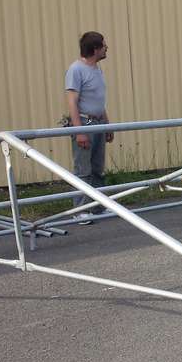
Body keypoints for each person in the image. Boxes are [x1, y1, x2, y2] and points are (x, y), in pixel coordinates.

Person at [65, 31, 113, 224]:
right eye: (103, 45)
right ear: (95, 49)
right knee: (83, 169)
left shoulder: (97, 69)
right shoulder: (76, 70)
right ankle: (80, 210)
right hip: (84, 123)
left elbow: (99, 100)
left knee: (97, 169)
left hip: (98, 122)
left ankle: (98, 206)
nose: (106, 48)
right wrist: (79, 132)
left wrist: (107, 124)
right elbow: (72, 102)